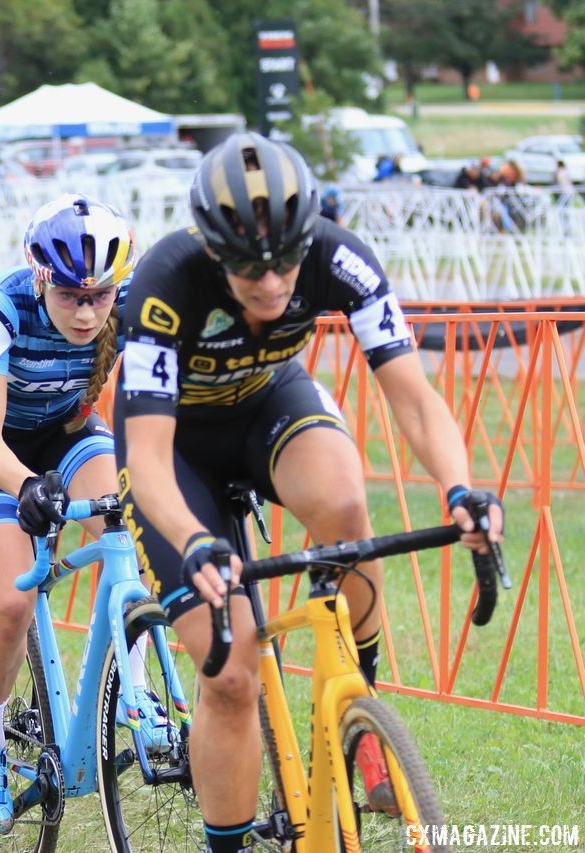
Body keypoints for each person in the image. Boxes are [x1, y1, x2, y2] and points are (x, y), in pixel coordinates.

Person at [115, 132, 504, 853]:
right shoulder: (165, 284)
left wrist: (462, 488)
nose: (270, 286)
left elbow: (414, 399)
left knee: (346, 505)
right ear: (212, 252)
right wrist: (194, 537)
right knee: (231, 676)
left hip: (268, 405)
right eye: (248, 272)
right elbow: (145, 453)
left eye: (285, 264)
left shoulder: (340, 258)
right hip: (177, 449)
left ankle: (360, 705)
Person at [0, 194, 149, 834]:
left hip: (68, 433)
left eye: (99, 298)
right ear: (40, 277)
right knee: (11, 601)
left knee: (130, 534)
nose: (87, 313)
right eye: (70, 297)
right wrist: (29, 486)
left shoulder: (133, 308)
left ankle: (138, 695)